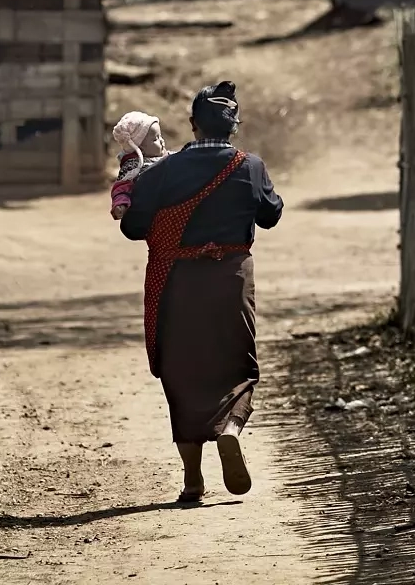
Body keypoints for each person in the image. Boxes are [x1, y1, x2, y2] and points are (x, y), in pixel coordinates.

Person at [119, 80, 284, 503]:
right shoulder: (250, 165)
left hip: (176, 281)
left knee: (182, 374)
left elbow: (132, 227)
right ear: (234, 126)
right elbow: (270, 216)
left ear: (192, 124)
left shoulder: (160, 172)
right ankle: (230, 429)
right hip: (231, 280)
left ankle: (193, 479)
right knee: (238, 365)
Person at [108, 110, 169, 220]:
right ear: (140, 148)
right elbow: (121, 188)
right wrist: (120, 204)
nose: (161, 141)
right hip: (151, 214)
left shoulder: (168, 156)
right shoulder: (133, 167)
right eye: (155, 138)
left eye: (160, 136)